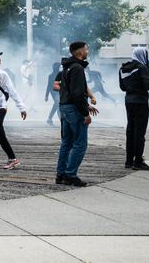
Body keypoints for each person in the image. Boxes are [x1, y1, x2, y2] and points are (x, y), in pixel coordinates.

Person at [56, 41, 98, 187]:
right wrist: (85, 112)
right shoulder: (77, 68)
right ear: (79, 52)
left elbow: (68, 91)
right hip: (74, 109)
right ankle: (71, 175)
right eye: (86, 49)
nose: (88, 51)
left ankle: (61, 174)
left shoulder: (67, 67)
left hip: (65, 108)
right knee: (80, 144)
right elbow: (77, 92)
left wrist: (86, 104)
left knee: (66, 142)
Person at [119, 47, 149, 170]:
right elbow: (148, 85)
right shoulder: (142, 67)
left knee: (131, 131)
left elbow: (122, 87)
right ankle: (138, 161)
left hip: (129, 102)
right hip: (141, 102)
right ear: (143, 55)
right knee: (140, 132)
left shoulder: (123, 68)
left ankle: (129, 161)